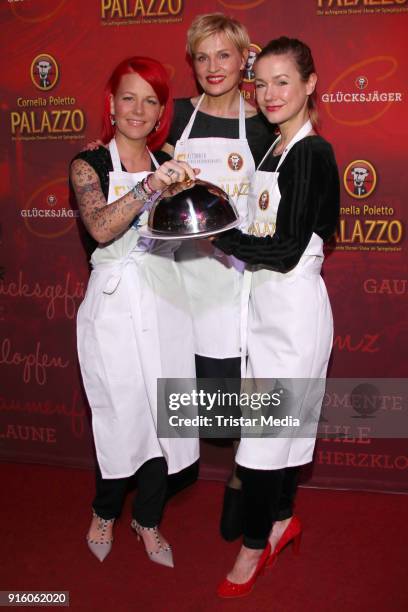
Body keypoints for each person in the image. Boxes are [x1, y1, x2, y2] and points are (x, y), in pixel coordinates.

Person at [211, 37, 340, 597]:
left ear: (310, 84)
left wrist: (220, 236)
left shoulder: (313, 153)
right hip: (264, 306)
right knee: (280, 436)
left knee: (265, 442)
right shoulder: (273, 149)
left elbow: (288, 248)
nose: (269, 94)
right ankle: (283, 518)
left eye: (283, 81)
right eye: (259, 83)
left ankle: (255, 548)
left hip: (292, 314)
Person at [70, 56, 199, 567]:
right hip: (113, 305)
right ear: (111, 102)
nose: (139, 109)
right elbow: (101, 227)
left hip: (165, 299)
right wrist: (150, 186)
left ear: (162, 109)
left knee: (163, 418)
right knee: (119, 413)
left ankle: (148, 520)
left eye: (151, 100)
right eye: (129, 97)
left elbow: (190, 228)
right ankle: (105, 512)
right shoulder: (89, 163)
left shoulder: (171, 157)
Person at [163, 12, 275, 540]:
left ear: (243, 59)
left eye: (223, 55)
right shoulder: (176, 116)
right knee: (194, 398)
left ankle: (239, 477)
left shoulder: (262, 123)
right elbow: (141, 166)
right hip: (180, 276)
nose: (213, 67)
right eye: (202, 57)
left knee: (240, 394)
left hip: (236, 278)